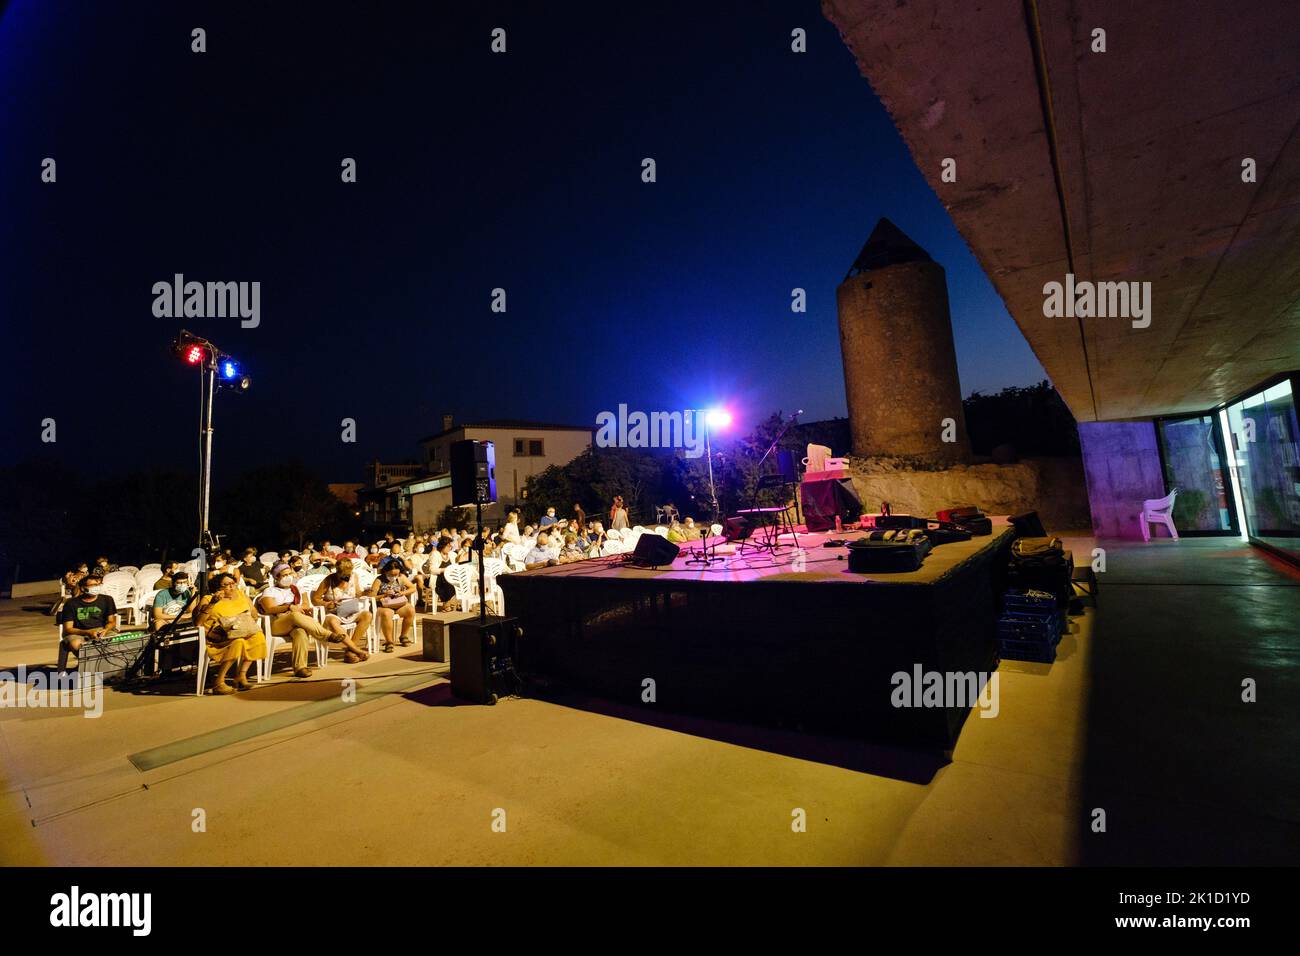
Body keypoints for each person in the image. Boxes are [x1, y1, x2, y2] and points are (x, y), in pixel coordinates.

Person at [257, 564, 333, 678]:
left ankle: (300, 668)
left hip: (298, 620)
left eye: (289, 574)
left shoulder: (297, 589)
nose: (288, 577)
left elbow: (306, 605)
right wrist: (288, 608)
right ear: (277, 577)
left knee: (301, 633)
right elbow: (269, 609)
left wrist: (295, 609)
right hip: (278, 622)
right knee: (294, 615)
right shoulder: (269, 590)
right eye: (284, 575)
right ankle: (326, 634)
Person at [195, 572, 266, 694]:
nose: (231, 587)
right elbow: (198, 622)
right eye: (226, 585)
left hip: (240, 630)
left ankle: (241, 676)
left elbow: (254, 614)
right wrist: (212, 604)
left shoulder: (241, 595)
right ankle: (219, 682)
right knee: (238, 642)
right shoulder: (208, 599)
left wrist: (245, 621)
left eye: (233, 583)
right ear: (218, 587)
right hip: (218, 637)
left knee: (258, 636)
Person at [313, 559, 372, 662]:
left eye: (348, 574)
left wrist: (364, 593)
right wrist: (327, 604)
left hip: (350, 609)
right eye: (344, 575)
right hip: (334, 611)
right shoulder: (329, 580)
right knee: (332, 621)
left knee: (367, 615)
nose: (346, 577)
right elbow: (315, 599)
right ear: (338, 571)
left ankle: (350, 650)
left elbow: (357, 593)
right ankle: (356, 650)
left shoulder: (354, 577)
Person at [57, 573, 118, 670]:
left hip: (101, 631)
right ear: (83, 588)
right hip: (79, 633)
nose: (97, 588)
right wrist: (87, 632)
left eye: (99, 585)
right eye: (93, 585)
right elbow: (68, 629)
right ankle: (90, 667)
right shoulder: (71, 603)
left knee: (118, 641)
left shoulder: (107, 600)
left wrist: (105, 630)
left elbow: (112, 622)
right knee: (76, 644)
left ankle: (107, 667)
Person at [370, 562, 416, 651]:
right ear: (386, 572)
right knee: (387, 613)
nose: (394, 576)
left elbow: (412, 588)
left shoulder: (401, 577)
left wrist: (402, 593)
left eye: (396, 574)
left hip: (397, 603)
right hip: (383, 606)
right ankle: (389, 641)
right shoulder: (379, 580)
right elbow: (372, 596)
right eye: (391, 574)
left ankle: (403, 636)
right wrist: (384, 595)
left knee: (410, 609)